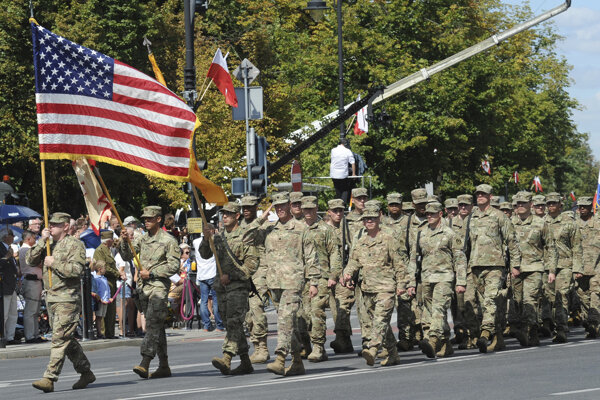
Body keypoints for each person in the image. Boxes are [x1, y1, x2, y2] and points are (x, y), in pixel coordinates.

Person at [27, 212, 95, 392]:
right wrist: (42, 241)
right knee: (66, 338)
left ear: (66, 226)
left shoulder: (75, 244)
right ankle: (85, 371)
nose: (52, 227)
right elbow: (30, 260)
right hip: (51, 298)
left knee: (59, 338)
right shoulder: (48, 244)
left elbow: (77, 270)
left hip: (67, 298)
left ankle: (49, 378)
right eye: (50, 225)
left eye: (56, 225)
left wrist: (54, 263)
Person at [118, 206, 180, 380]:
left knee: (152, 323)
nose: (146, 221)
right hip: (143, 288)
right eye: (144, 219)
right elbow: (126, 256)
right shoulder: (143, 239)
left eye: (150, 218)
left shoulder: (169, 240)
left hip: (158, 286)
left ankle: (145, 361)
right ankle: (164, 365)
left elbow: (174, 266)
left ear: (159, 219)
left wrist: (152, 273)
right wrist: (123, 241)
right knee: (158, 326)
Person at [263, 192, 319, 376]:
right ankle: (297, 361)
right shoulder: (270, 230)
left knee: (285, 320)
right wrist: (260, 219)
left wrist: (313, 282)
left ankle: (280, 358)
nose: (279, 209)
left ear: (289, 206)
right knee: (290, 324)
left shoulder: (302, 228)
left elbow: (311, 257)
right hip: (274, 283)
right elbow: (249, 239)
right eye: (276, 206)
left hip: (293, 282)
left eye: (282, 205)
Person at [201, 202, 259, 375]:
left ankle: (226, 357)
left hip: (238, 287)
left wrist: (232, 276)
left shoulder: (245, 236)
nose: (224, 217)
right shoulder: (218, 237)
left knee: (234, 322)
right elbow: (205, 254)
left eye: (229, 214)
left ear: (237, 216)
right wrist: (206, 238)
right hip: (221, 288)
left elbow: (252, 264)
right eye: (223, 214)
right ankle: (245, 362)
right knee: (230, 325)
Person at [343, 206, 405, 367]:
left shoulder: (388, 238)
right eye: (366, 219)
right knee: (381, 323)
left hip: (386, 287)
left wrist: (402, 284)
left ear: (378, 219)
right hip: (368, 289)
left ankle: (373, 348)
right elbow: (354, 261)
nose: (369, 221)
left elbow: (399, 263)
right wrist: (347, 274)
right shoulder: (361, 242)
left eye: (372, 218)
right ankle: (392, 353)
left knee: (379, 320)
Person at [407, 202, 467, 358]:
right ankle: (445, 344)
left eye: (432, 214)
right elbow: (413, 259)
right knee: (429, 313)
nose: (429, 216)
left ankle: (433, 341)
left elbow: (460, 259)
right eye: (427, 214)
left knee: (439, 310)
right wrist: (411, 282)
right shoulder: (421, 233)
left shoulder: (450, 234)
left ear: (440, 214)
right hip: (426, 278)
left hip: (444, 277)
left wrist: (461, 281)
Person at [467, 184, 520, 353]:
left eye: (483, 194)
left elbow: (511, 241)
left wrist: (515, 265)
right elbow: (467, 244)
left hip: (495, 265)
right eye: (478, 194)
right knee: (487, 304)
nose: (480, 196)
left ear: (490, 196)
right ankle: (498, 339)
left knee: (490, 300)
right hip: (476, 266)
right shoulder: (472, 217)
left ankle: (485, 333)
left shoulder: (499, 216)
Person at [511, 191, 556, 347]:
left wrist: (551, 270)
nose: (521, 206)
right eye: (518, 203)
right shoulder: (510, 223)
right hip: (515, 270)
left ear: (531, 205)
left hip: (535, 267)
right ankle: (530, 330)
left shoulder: (540, 223)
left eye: (524, 203)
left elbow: (550, 247)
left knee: (529, 300)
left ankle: (529, 331)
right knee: (517, 302)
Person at [301, 196, 342, 362]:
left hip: (321, 277)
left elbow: (335, 253)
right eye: (306, 209)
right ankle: (308, 345)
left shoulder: (326, 229)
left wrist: (334, 275)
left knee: (317, 311)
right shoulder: (298, 229)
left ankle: (318, 347)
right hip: (302, 278)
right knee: (304, 314)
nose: (308, 212)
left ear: (317, 209)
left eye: (311, 209)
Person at [543, 192, 583, 342]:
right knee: (549, 298)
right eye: (549, 203)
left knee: (562, 296)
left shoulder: (569, 223)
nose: (551, 206)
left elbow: (577, 247)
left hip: (565, 265)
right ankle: (551, 324)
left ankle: (561, 329)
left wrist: (577, 268)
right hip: (546, 266)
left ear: (560, 205)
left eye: (554, 203)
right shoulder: (541, 223)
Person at [239, 195, 272, 364]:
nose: (246, 210)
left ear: (256, 208)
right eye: (244, 207)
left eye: (250, 207)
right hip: (245, 273)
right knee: (247, 314)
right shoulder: (239, 227)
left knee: (257, 309)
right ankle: (255, 345)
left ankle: (262, 348)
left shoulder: (265, 226)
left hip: (260, 272)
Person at [327, 198, 356, 354]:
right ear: (329, 212)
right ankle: (346, 342)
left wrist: (348, 274)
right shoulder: (325, 229)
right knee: (335, 309)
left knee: (342, 306)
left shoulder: (348, 229)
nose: (338, 214)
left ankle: (340, 338)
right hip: (329, 275)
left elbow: (353, 252)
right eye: (335, 211)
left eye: (341, 211)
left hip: (344, 274)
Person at [575, 196, 600, 338]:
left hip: (597, 266)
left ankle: (593, 322)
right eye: (580, 206)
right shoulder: (574, 225)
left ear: (591, 207)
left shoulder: (598, 223)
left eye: (585, 206)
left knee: (595, 293)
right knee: (583, 296)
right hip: (581, 267)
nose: (582, 208)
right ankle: (587, 320)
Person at [192, 224, 225, 332]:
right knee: (216, 300)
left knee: (204, 301)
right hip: (212, 273)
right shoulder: (214, 241)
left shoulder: (195, 242)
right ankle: (219, 325)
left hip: (202, 274)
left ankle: (206, 325)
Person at [19, 230, 44, 343]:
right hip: (31, 281)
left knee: (35, 311)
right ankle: (30, 336)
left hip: (35, 281)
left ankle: (35, 334)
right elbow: (37, 263)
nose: (35, 240)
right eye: (34, 238)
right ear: (28, 239)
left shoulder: (27, 250)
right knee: (31, 310)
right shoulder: (25, 250)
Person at [93, 230, 119, 339]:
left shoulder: (108, 250)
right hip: (104, 282)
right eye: (111, 239)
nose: (113, 241)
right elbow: (103, 267)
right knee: (104, 309)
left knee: (111, 309)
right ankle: (102, 332)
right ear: (108, 240)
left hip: (111, 282)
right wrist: (118, 273)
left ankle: (110, 333)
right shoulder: (100, 251)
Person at [1, 227, 19, 344]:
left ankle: (10, 337)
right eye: (11, 235)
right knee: (4, 313)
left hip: (12, 285)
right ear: (5, 236)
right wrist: (7, 256)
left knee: (13, 313)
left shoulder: (9, 248)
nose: (13, 237)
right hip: (4, 286)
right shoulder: (1, 248)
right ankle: (2, 336)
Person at [330, 138, 356, 205]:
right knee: (345, 190)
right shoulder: (347, 151)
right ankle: (342, 206)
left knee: (338, 191)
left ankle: (338, 205)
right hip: (343, 175)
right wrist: (353, 173)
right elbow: (352, 162)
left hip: (334, 174)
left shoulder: (333, 150)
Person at [91, 260, 110, 339]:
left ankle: (101, 332)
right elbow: (96, 290)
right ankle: (99, 332)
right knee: (98, 317)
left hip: (105, 300)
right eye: (104, 268)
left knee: (102, 317)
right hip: (100, 300)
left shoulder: (104, 278)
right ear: (99, 269)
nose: (106, 269)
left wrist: (109, 297)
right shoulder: (96, 279)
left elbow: (107, 289)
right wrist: (100, 299)